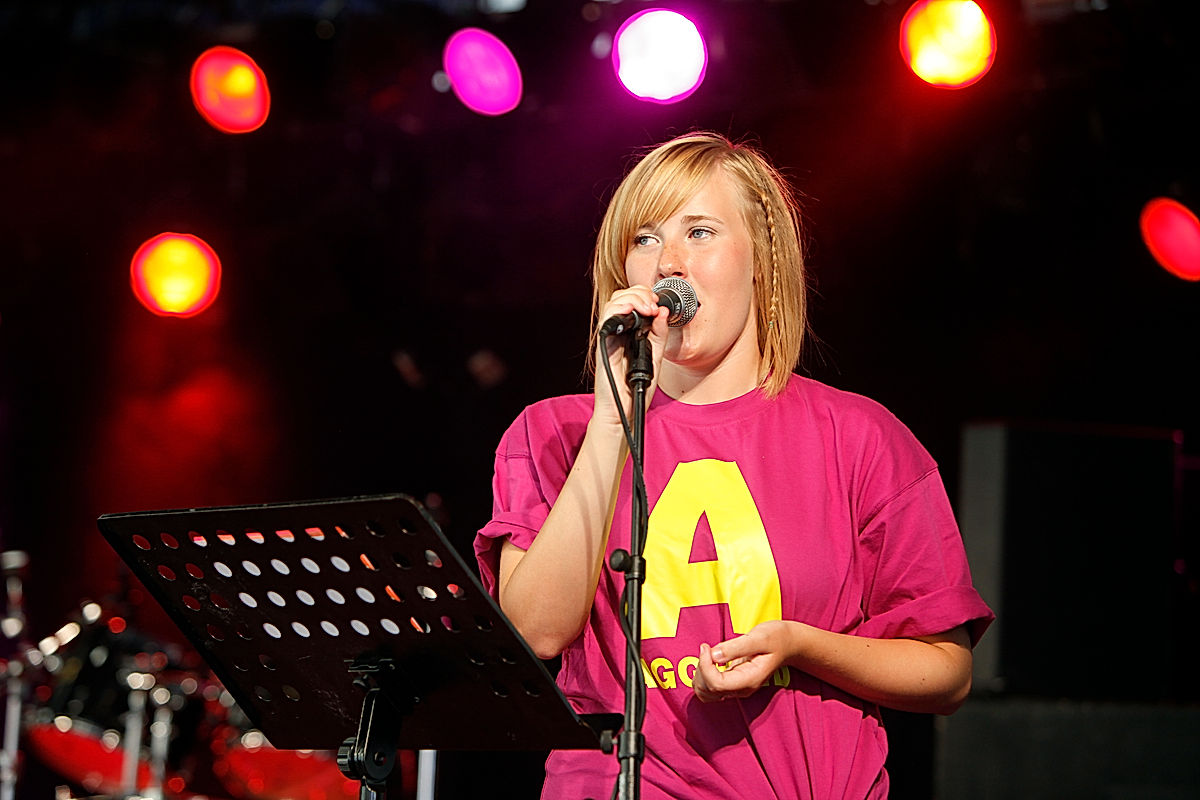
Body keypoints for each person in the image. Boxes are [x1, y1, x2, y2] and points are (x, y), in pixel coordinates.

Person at [474, 131, 993, 799]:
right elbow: (536, 633)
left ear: (762, 259)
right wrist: (612, 423)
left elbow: (946, 673)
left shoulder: (860, 437)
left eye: (699, 233)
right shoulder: (555, 433)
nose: (668, 263)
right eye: (645, 238)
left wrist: (804, 647)